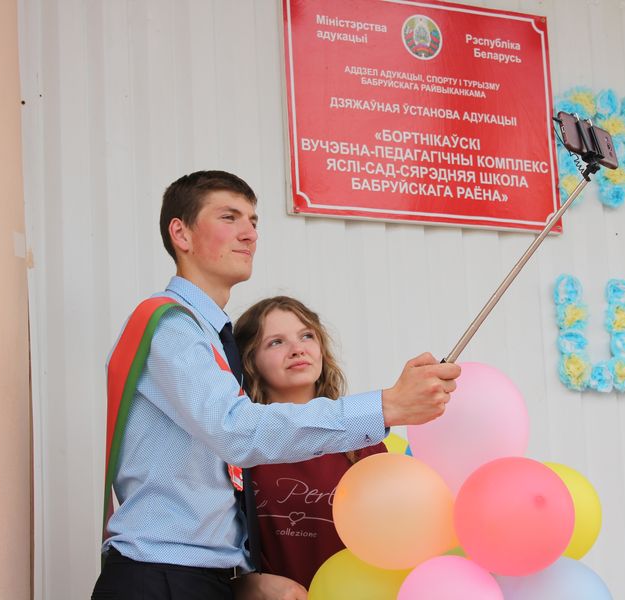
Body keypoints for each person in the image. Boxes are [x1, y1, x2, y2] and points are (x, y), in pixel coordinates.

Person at [91, 170, 460, 600]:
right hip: (162, 579)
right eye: (229, 217)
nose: (249, 234)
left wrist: (242, 578)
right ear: (181, 234)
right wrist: (385, 406)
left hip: (198, 579)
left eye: (253, 221)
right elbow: (235, 431)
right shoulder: (172, 327)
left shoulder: (210, 338)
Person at [232, 296, 388, 594]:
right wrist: (246, 585)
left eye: (306, 336)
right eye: (276, 342)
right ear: (250, 361)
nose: (297, 349)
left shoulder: (364, 443)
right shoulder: (238, 446)